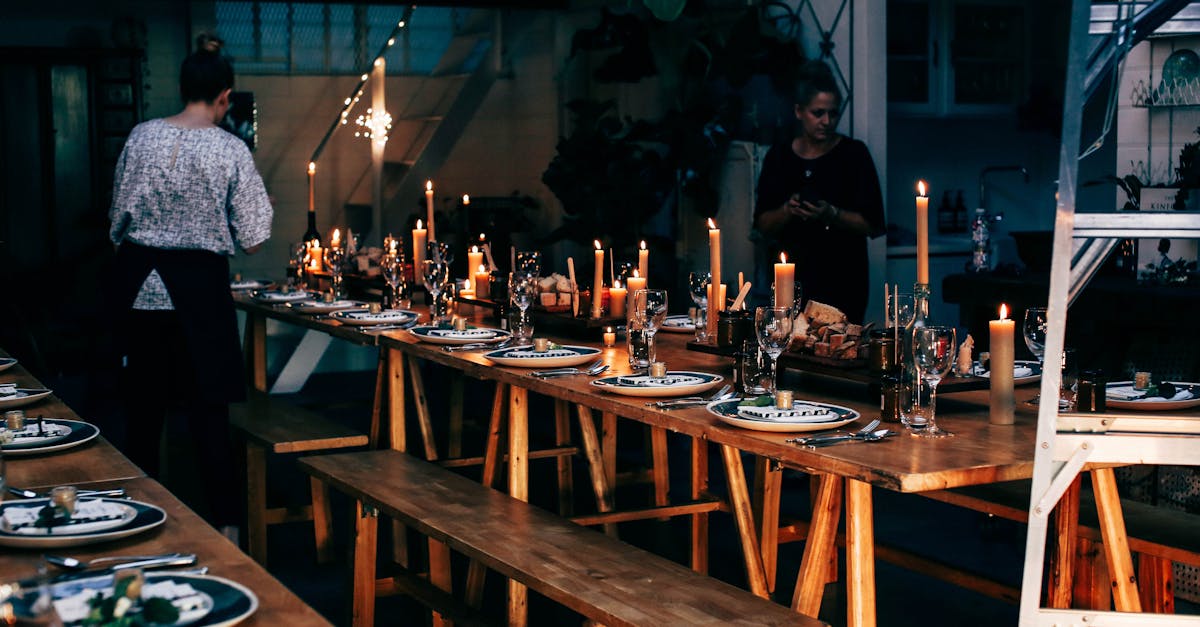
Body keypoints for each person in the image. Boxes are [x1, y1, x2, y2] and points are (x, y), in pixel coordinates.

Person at [109, 34, 272, 537]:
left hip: (139, 289)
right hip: (200, 294)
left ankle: (129, 525)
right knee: (209, 418)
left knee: (141, 416)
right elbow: (255, 236)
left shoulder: (141, 136)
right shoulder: (230, 148)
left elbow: (116, 221)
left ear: (183, 89)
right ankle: (227, 530)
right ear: (225, 96)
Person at [754, 61, 885, 323]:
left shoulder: (854, 155)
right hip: (792, 281)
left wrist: (832, 214)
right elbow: (761, 225)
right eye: (818, 113)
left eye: (833, 114)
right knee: (789, 339)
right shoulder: (779, 157)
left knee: (840, 342)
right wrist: (788, 210)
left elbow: (873, 224)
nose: (827, 121)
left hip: (843, 280)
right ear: (799, 111)